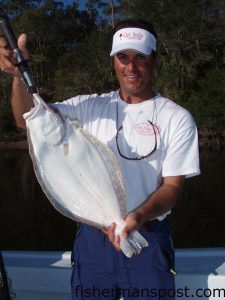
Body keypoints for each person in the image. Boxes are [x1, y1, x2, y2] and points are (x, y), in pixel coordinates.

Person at [0, 19, 200, 299]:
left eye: (140, 57)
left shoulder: (177, 118)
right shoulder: (87, 107)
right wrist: (19, 75)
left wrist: (137, 217)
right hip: (93, 242)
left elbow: (172, 187)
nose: (130, 67)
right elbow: (27, 118)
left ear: (154, 60)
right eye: (123, 57)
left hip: (148, 238)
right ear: (114, 61)